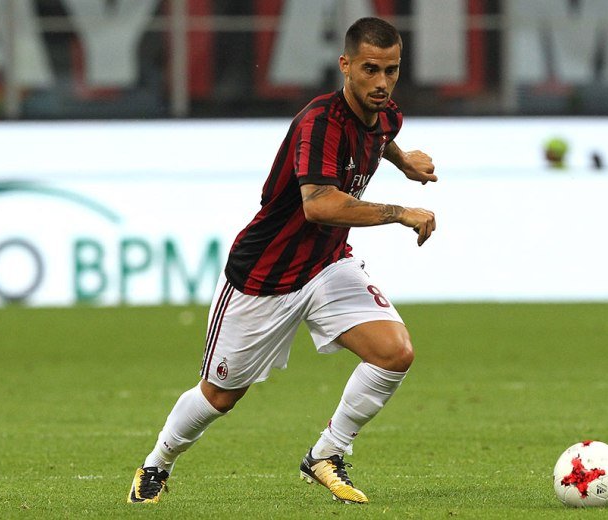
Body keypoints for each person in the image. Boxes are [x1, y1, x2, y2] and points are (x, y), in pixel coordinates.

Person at [128, 16, 437, 505]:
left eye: (392, 70)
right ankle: (156, 463)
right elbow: (320, 205)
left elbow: (380, 136)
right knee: (220, 396)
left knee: (394, 352)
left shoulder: (386, 116)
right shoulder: (319, 123)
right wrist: (400, 211)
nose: (382, 82)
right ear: (345, 65)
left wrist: (404, 162)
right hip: (264, 275)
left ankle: (327, 453)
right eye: (370, 69)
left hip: (327, 263)